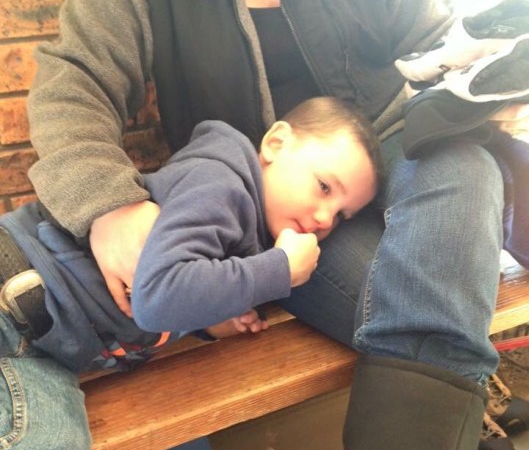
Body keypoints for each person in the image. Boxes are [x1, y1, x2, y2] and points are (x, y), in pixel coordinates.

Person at [10, 0, 528, 450]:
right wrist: (109, 204)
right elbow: (72, 84)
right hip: (286, 215)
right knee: (434, 319)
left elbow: (437, 47)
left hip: (396, 155)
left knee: (461, 157)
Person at [0, 97, 381, 375]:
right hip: (17, 285)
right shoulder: (220, 186)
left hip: (46, 343)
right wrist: (279, 270)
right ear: (276, 143)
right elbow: (157, 298)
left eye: (342, 215)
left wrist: (209, 321)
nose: (325, 219)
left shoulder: (249, 219)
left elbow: (168, 285)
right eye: (324, 187)